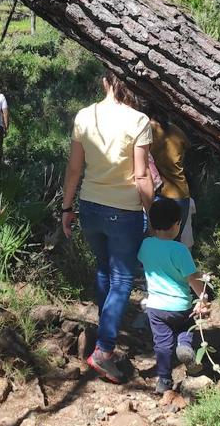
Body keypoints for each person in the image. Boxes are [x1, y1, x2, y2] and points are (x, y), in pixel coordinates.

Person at [61, 70, 154, 384]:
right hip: (124, 210)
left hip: (90, 206)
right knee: (123, 278)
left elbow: (74, 168)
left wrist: (66, 207)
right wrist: (152, 211)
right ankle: (104, 349)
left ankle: (106, 335)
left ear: (104, 82)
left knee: (104, 270)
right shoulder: (138, 120)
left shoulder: (85, 116)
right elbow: (141, 176)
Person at [137, 198, 209, 394]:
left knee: (162, 343)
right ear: (177, 224)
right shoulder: (180, 250)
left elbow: (141, 261)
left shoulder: (146, 246)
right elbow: (192, 278)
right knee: (186, 326)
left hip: (156, 307)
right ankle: (184, 346)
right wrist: (203, 297)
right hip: (181, 305)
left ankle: (164, 381)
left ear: (152, 223)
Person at [147, 111, 195, 248]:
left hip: (157, 193)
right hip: (180, 193)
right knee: (175, 245)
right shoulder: (177, 131)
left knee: (154, 245)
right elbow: (185, 152)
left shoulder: (146, 129)